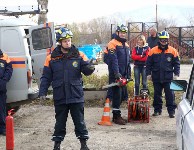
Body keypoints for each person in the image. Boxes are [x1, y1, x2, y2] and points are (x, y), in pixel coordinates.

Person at [39, 27, 95, 150]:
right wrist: (42, 91)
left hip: (76, 95)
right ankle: (57, 145)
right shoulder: (51, 57)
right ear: (60, 42)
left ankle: (84, 145)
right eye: (65, 41)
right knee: (59, 123)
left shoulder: (79, 54)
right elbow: (46, 77)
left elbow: (86, 70)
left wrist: (90, 68)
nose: (68, 43)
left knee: (79, 122)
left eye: (69, 40)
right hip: (60, 95)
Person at [146, 30, 180, 118]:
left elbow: (177, 64)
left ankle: (171, 111)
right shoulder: (153, 50)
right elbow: (148, 63)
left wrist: (176, 74)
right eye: (162, 40)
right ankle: (157, 110)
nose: (163, 41)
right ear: (159, 40)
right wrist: (148, 74)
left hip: (168, 77)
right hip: (156, 77)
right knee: (157, 95)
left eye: (165, 40)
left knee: (170, 95)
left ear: (167, 40)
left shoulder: (173, 51)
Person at [106, 24, 131, 125]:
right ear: (117, 33)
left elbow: (128, 61)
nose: (123, 34)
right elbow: (113, 60)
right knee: (117, 95)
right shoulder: (112, 43)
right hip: (116, 74)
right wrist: (117, 73)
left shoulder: (126, 45)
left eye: (124, 33)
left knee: (123, 95)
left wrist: (128, 74)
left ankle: (117, 114)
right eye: (121, 33)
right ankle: (116, 116)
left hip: (124, 74)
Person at [0, 49, 13, 136]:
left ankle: (3, 128)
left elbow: (9, 70)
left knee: (2, 108)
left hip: (1, 86)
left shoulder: (5, 56)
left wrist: (3, 81)